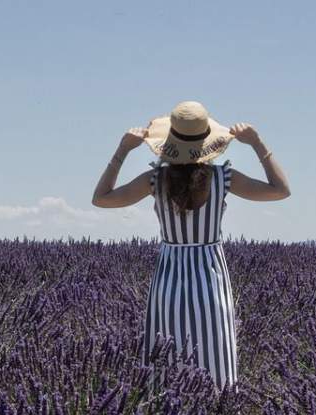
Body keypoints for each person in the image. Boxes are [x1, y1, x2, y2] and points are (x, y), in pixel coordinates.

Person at [91, 100, 291, 393]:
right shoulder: (223, 178)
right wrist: (257, 143)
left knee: (167, 362)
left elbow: (101, 198)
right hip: (210, 279)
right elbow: (280, 190)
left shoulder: (155, 180)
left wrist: (122, 150)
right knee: (215, 357)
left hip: (169, 280)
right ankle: (218, 414)